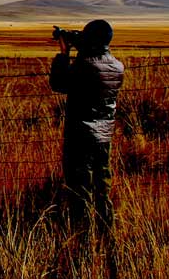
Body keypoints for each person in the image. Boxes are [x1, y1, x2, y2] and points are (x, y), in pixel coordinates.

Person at [50, 19, 124, 234]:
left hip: (80, 133)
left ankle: (81, 231)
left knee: (79, 186)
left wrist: (64, 53)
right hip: (105, 133)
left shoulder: (85, 66)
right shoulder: (117, 66)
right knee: (102, 183)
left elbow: (59, 83)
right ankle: (105, 229)